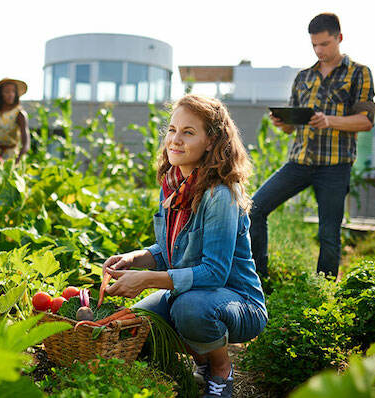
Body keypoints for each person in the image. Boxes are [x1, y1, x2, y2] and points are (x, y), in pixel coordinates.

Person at [102, 94, 267, 398]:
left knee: (189, 309)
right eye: (172, 130)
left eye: (188, 132)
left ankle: (220, 370)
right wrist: (133, 259)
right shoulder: (174, 184)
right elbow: (169, 252)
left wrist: (147, 280)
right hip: (188, 294)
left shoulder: (220, 194)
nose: (175, 140)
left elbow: (214, 273)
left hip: (238, 302)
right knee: (137, 326)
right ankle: (201, 356)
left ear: (211, 141)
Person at [249, 13, 375, 279]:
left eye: (325, 44)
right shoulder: (303, 77)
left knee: (329, 234)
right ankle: (258, 279)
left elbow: (365, 121)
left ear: (339, 38)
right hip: (299, 162)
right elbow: (293, 126)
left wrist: (329, 120)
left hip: (334, 166)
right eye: (315, 45)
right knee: (254, 208)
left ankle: (324, 290)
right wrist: (283, 122)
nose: (319, 50)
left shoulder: (359, 73)